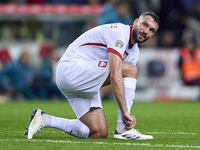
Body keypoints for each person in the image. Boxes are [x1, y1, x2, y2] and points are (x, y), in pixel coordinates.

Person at [25, 11, 159, 140]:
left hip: (84, 78)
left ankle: (44, 119)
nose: (146, 31)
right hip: (71, 69)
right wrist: (125, 113)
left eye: (151, 30)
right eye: (144, 24)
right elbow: (115, 75)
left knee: (98, 131)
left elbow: (119, 80)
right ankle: (123, 129)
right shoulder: (120, 33)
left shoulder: (134, 52)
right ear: (136, 22)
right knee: (131, 69)